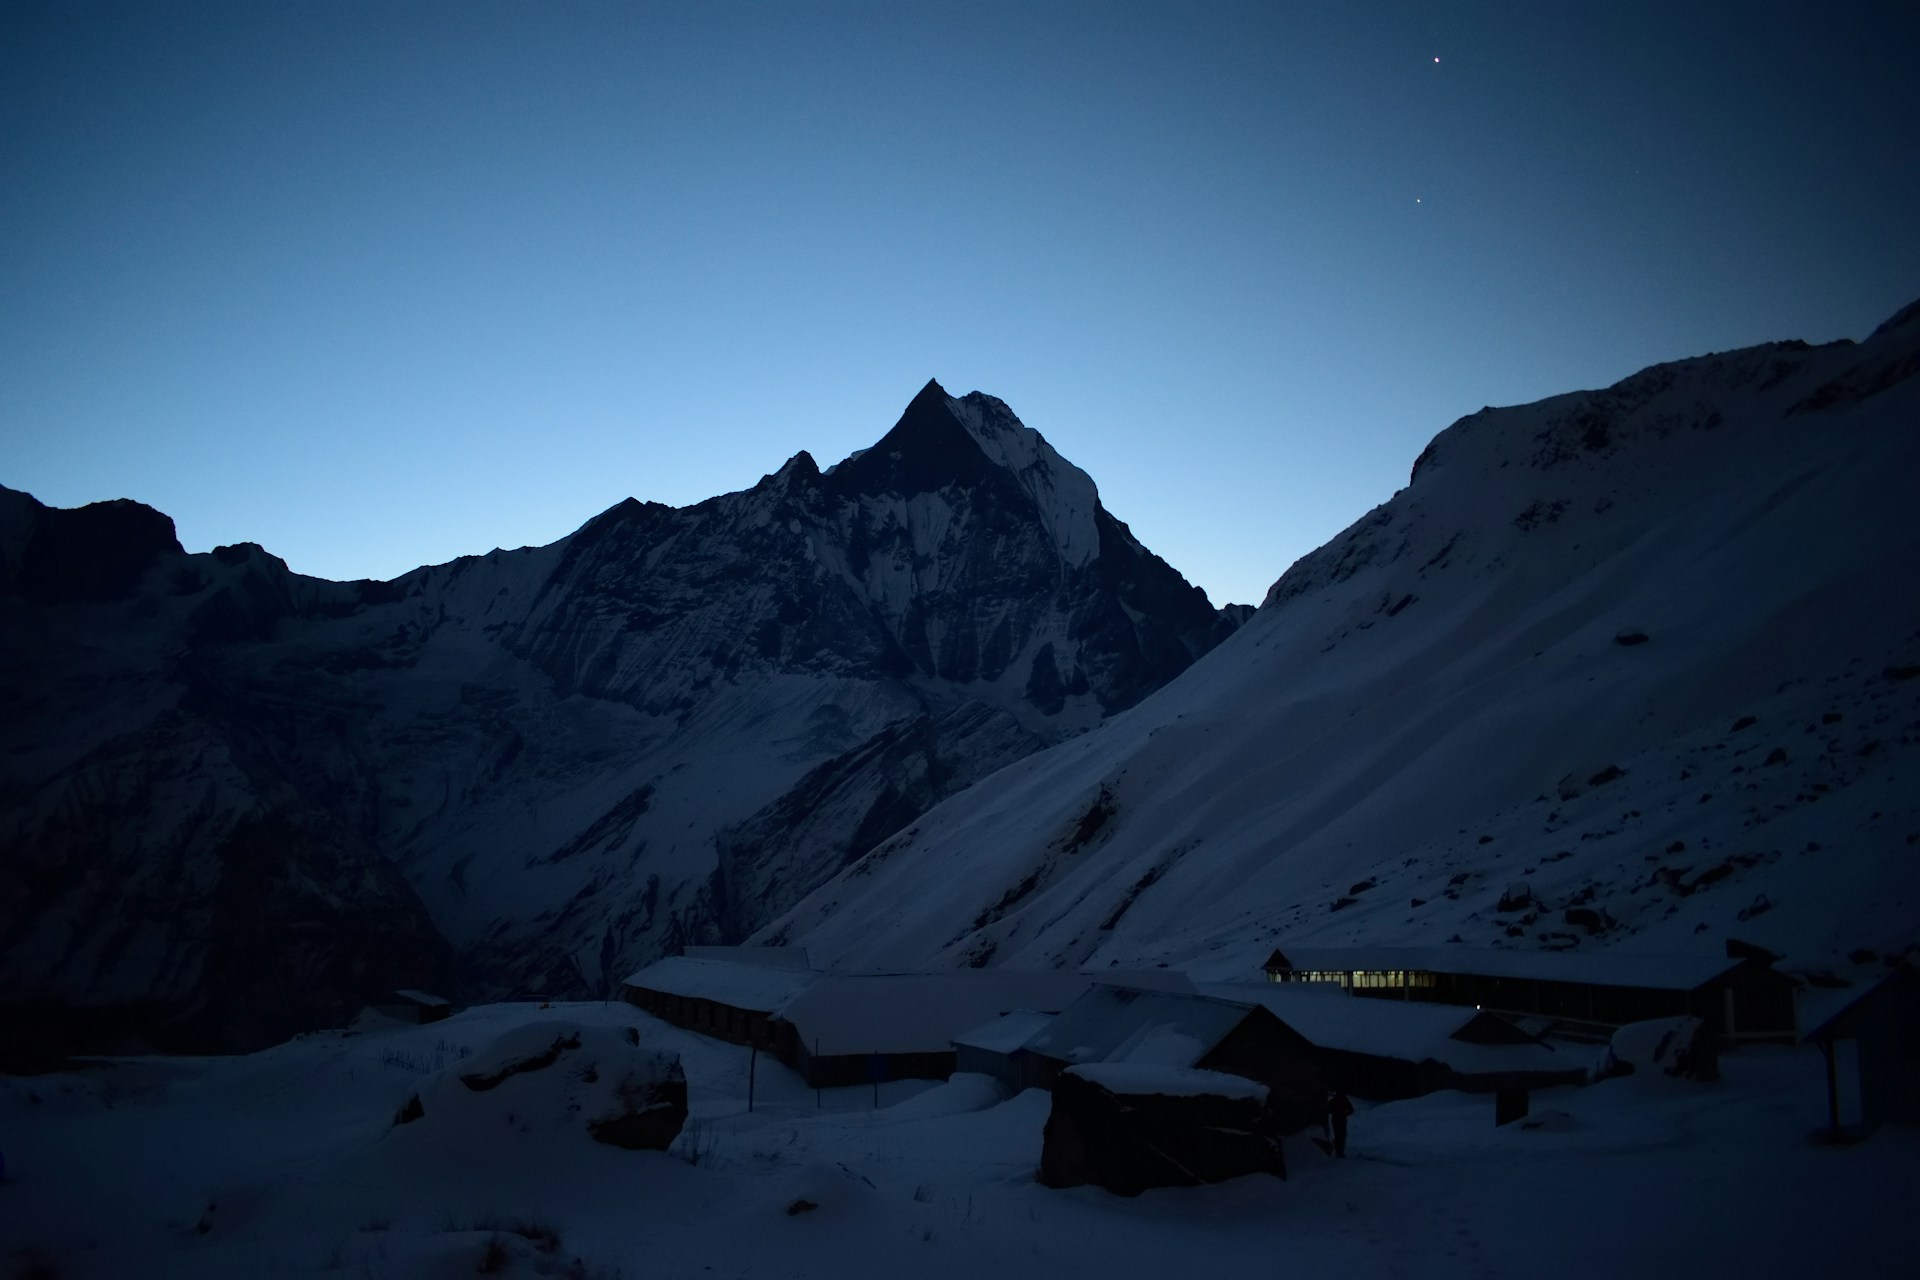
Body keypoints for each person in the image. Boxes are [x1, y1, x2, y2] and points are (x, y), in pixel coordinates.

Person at [1327, 1088, 1354, 1158]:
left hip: (1337, 1120)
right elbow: (1351, 1110)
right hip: (1341, 1120)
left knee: (1338, 1136)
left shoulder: (1334, 1100)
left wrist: (1333, 1112)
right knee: (1341, 1136)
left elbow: (1327, 1109)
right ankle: (1340, 1152)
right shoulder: (1344, 1100)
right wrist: (1344, 1114)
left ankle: (1338, 1152)